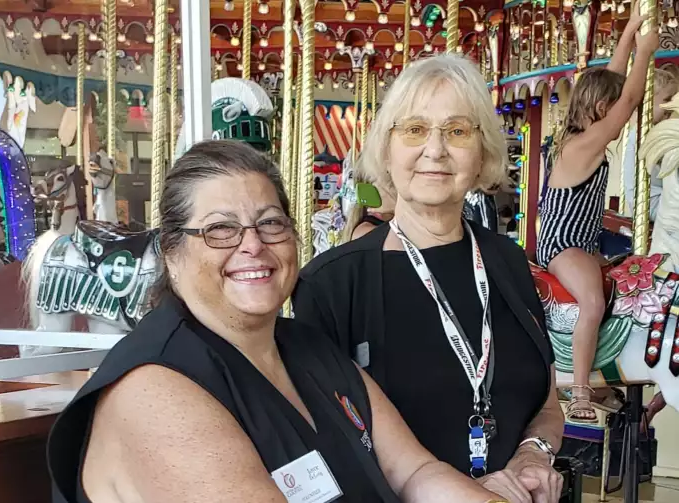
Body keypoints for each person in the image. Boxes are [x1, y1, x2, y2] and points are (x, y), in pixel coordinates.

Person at [47, 140, 506, 503]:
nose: (253, 245)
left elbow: (414, 472)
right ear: (172, 252)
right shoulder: (154, 389)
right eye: (220, 229)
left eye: (270, 224)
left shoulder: (307, 347)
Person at [293, 54, 565, 503]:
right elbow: (325, 446)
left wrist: (533, 455)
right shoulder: (332, 284)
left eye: (457, 131)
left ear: (482, 154)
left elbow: (548, 404)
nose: (435, 150)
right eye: (414, 130)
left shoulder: (509, 263)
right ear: (386, 148)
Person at [536, 4, 658, 424]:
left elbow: (616, 85)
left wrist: (629, 32)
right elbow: (628, 99)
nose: (614, 113)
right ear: (597, 107)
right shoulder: (582, 144)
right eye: (608, 105)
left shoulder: (578, 133)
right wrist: (646, 50)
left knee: (626, 285)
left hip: (584, 241)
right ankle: (581, 388)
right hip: (563, 243)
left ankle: (608, 372)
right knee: (591, 300)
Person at [622, 66, 678, 220]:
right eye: (667, 99)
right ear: (646, 102)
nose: (672, 105)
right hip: (651, 203)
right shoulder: (644, 135)